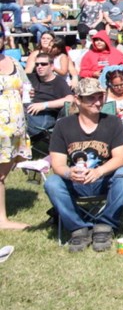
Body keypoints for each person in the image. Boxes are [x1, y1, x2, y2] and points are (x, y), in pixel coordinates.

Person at [44, 78, 123, 252]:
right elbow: (58, 163)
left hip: (104, 180)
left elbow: (120, 158)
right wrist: (69, 173)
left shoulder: (113, 122)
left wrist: (99, 171)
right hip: (76, 182)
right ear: (78, 99)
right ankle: (78, 228)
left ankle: (105, 226)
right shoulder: (63, 126)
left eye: (100, 97)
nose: (97, 102)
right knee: (52, 183)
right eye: (91, 98)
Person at [0, 48, 32, 230]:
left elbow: (25, 85)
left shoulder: (13, 62)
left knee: (3, 173)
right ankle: (2, 220)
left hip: (14, 128)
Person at [24, 53, 73, 137]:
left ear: (52, 66)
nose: (39, 67)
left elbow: (70, 99)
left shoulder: (59, 82)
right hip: (26, 108)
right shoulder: (30, 78)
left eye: (43, 64)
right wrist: (22, 92)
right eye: (37, 64)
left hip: (46, 114)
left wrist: (44, 105)